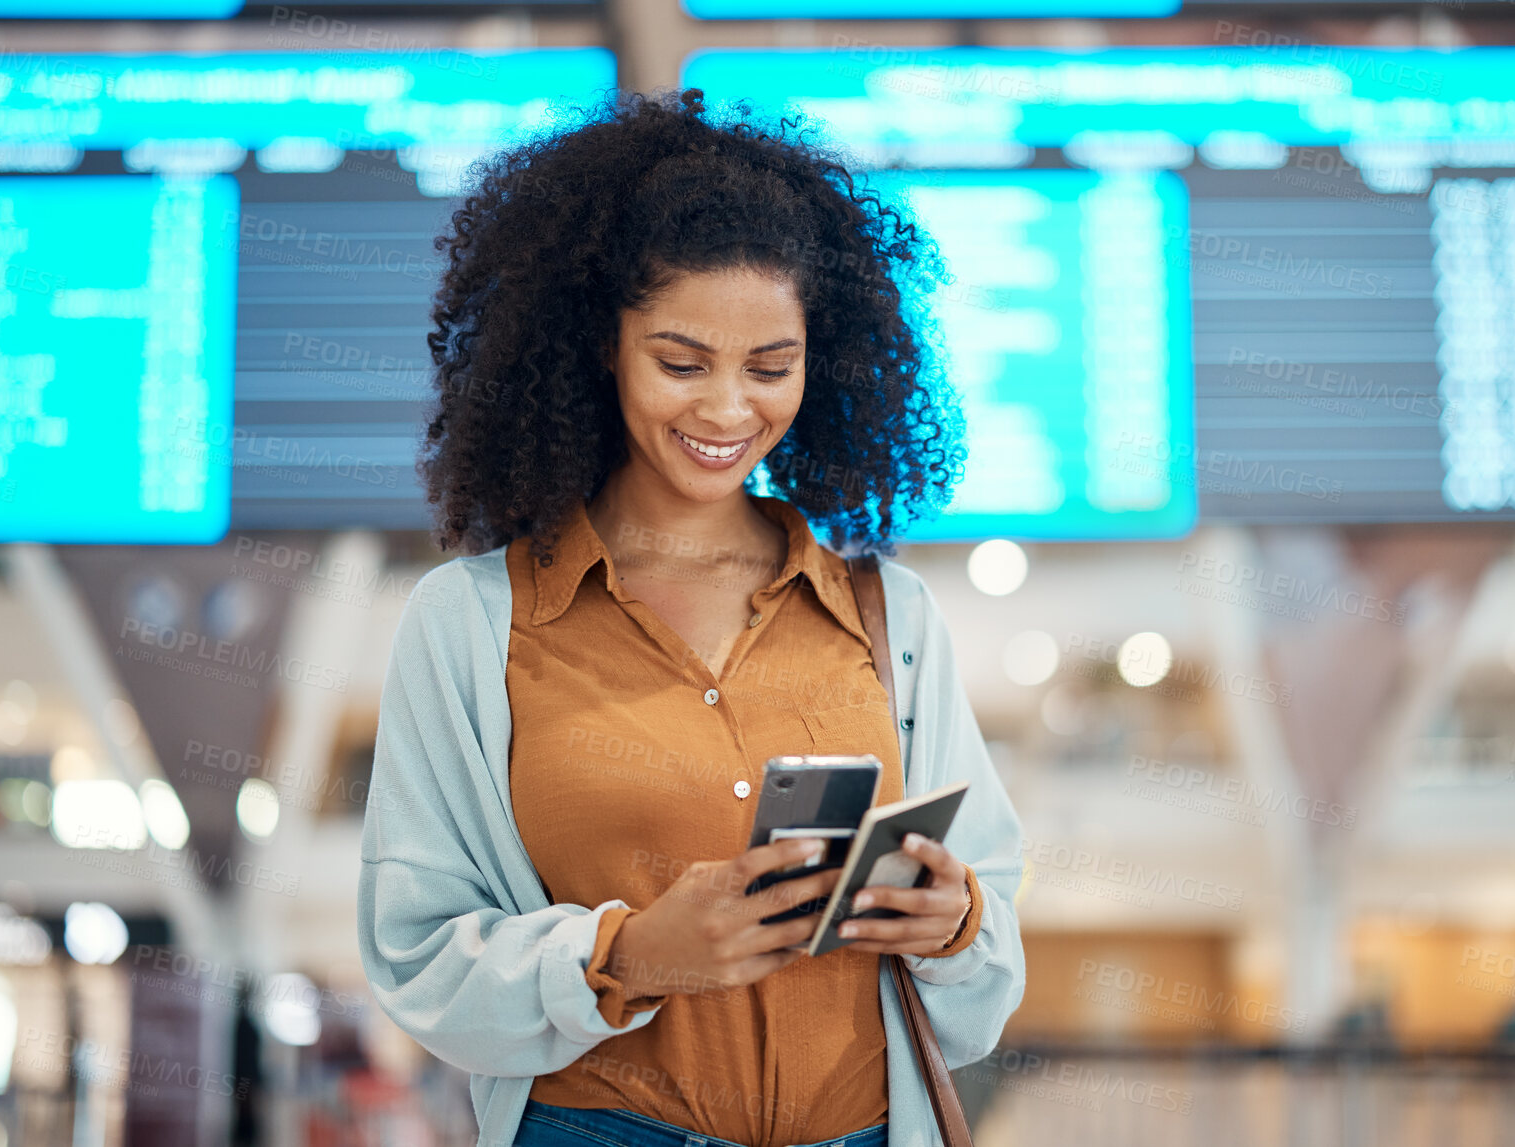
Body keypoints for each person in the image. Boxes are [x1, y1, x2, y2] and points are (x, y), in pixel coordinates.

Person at [356, 87, 1025, 1147]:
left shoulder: (888, 617)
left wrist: (957, 925)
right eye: (680, 362)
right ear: (598, 347)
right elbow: (418, 957)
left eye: (771, 367)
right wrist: (627, 955)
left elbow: (989, 962)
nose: (726, 410)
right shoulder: (471, 624)